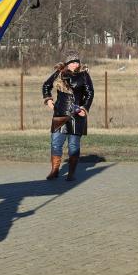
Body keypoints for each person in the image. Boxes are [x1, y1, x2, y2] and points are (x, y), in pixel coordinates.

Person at [42, 50, 94, 181]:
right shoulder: (59, 73)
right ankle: (54, 171)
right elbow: (46, 86)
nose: (75, 64)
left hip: (77, 114)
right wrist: (48, 99)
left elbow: (90, 93)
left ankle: (71, 173)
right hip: (60, 113)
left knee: (73, 145)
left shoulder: (84, 75)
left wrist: (85, 108)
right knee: (55, 143)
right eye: (72, 62)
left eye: (77, 62)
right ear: (67, 63)